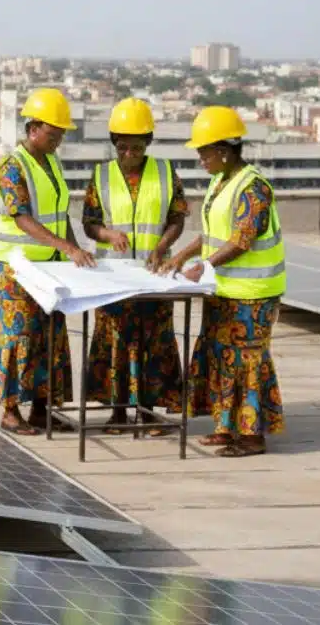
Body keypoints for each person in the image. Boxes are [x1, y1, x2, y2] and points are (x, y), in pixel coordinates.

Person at [157, 106, 285, 457]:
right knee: (220, 358)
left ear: (224, 151)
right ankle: (226, 427)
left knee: (246, 363)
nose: (201, 159)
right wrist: (182, 256)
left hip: (252, 295)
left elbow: (242, 239)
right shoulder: (220, 182)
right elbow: (213, 234)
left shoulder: (253, 188)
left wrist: (204, 266)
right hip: (223, 290)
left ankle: (252, 437)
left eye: (204, 153)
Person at [0, 87, 95, 436]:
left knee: (49, 336)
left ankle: (43, 409)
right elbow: (23, 218)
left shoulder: (52, 163)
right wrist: (67, 247)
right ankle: (11, 411)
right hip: (15, 267)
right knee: (18, 334)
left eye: (60, 135)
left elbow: (60, 215)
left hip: (48, 266)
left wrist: (76, 250)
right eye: (52, 134)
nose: (57, 141)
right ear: (32, 129)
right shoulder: (12, 167)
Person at [81, 98, 189, 436]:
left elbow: (177, 218)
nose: (129, 154)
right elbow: (89, 223)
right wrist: (107, 234)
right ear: (114, 143)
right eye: (123, 147)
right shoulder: (100, 175)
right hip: (113, 278)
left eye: (137, 148)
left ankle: (149, 412)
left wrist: (161, 247)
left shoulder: (166, 172)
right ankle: (117, 412)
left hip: (154, 276)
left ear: (148, 143)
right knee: (115, 343)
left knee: (154, 343)